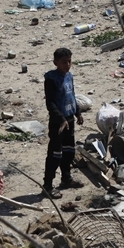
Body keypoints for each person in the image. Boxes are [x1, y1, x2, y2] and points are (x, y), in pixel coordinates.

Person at [42, 48, 84, 199]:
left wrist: (77, 112)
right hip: (58, 123)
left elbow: (71, 95)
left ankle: (66, 178)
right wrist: (61, 119)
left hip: (69, 120)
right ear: (55, 63)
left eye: (69, 61)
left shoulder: (69, 76)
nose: (67, 65)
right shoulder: (51, 79)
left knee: (69, 151)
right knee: (55, 154)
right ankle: (47, 185)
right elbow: (50, 103)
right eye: (63, 62)